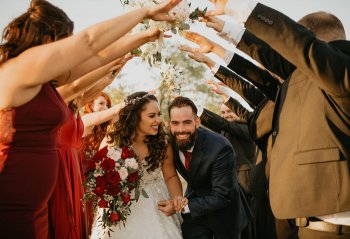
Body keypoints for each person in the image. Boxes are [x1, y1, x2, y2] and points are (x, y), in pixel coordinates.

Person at [0, 0, 181, 237]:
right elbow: (89, 43)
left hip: (34, 206)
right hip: (12, 200)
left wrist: (145, 36)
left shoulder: (44, 80)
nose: (68, 52)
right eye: (65, 41)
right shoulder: (19, 69)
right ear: (48, 41)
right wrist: (145, 12)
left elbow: (99, 57)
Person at [204, 0, 350, 238]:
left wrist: (239, 8)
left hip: (334, 226)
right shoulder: (304, 80)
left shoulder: (340, 69)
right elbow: (267, 70)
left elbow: (299, 46)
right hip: (302, 221)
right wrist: (222, 39)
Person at [91, 91, 186, 239]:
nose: (158, 120)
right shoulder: (113, 141)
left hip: (156, 204)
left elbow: (171, 175)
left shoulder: (163, 142)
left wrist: (176, 199)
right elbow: (98, 175)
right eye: (152, 116)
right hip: (120, 206)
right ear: (135, 117)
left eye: (159, 114)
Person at [160, 96, 251, 239]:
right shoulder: (169, 141)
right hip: (196, 212)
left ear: (197, 122)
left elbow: (221, 195)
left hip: (226, 213)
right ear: (169, 124)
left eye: (187, 122)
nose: (181, 129)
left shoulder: (220, 147)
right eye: (175, 123)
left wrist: (181, 206)